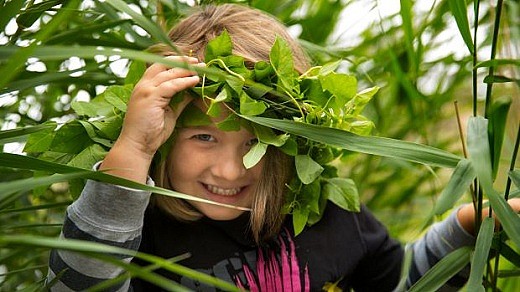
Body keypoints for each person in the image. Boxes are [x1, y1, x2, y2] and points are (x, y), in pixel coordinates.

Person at [47, 4, 518, 291]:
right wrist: (132, 148)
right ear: (164, 136)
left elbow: (400, 283)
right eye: (203, 137)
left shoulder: (328, 215)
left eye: (257, 142)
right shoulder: (133, 235)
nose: (230, 171)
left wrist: (465, 228)